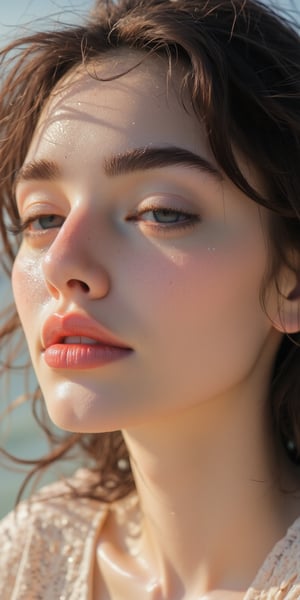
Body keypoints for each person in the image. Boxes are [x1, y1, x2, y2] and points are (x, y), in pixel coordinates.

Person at [0, 0, 300, 597]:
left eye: (160, 212)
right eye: (43, 217)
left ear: (290, 280)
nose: (62, 263)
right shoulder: (27, 555)